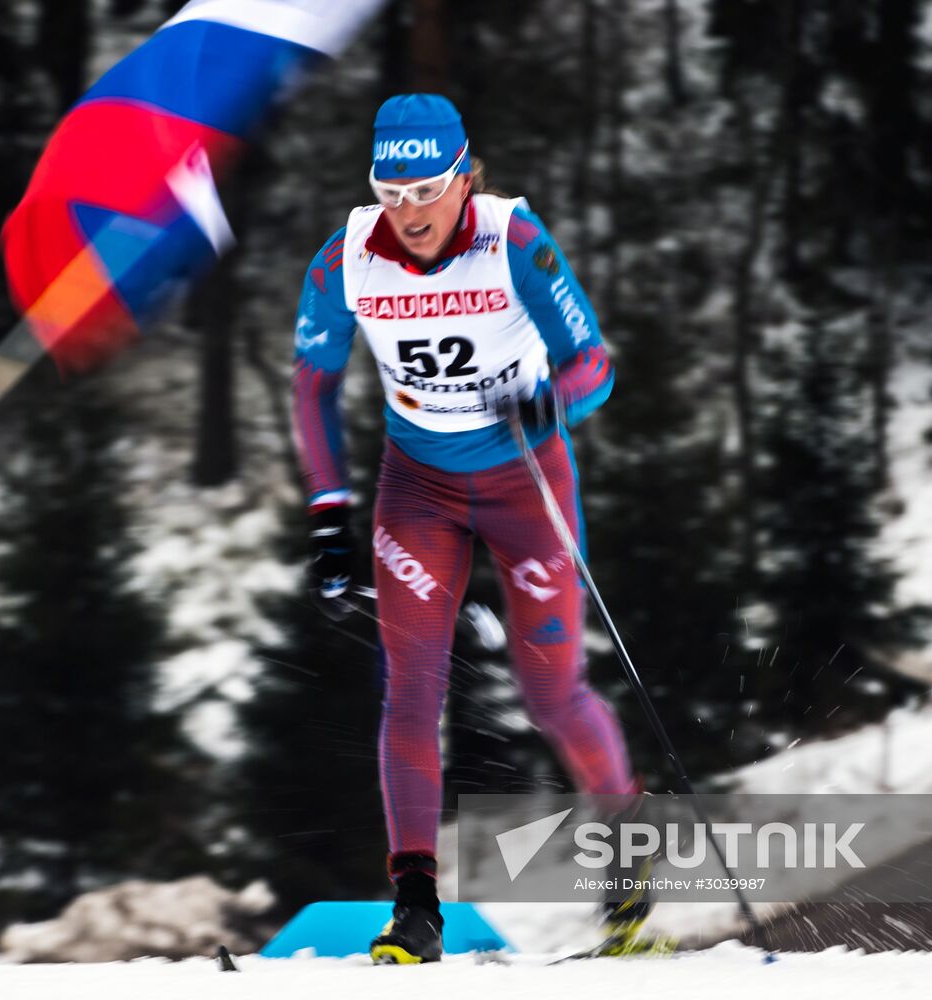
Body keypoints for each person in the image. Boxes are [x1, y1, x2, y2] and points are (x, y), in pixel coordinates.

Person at [291, 94, 646, 964]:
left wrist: (548, 401)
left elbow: (593, 362)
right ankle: (414, 908)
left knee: (549, 694)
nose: (408, 212)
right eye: (390, 191)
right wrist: (329, 511)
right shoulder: (344, 259)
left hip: (526, 485)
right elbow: (312, 386)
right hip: (418, 490)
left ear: (463, 177)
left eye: (427, 189)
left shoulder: (514, 242)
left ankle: (628, 857)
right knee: (412, 690)